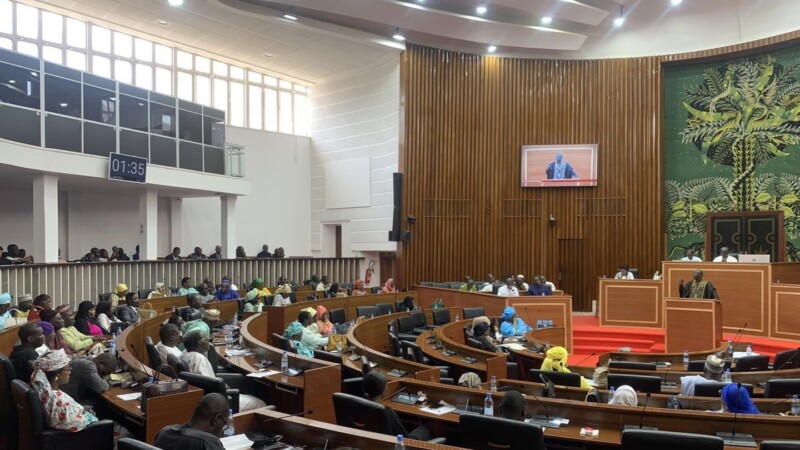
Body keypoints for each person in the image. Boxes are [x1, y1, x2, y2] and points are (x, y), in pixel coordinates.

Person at [31, 349, 101, 431]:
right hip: (81, 435)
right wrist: (88, 416)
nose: (70, 372)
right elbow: (75, 424)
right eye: (68, 369)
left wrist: (82, 411)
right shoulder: (56, 398)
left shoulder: (47, 390)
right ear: (57, 374)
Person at [362, 371, 435, 440]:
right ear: (384, 391)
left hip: (372, 443)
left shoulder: (358, 406)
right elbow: (405, 438)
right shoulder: (387, 412)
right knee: (432, 426)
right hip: (400, 444)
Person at [155, 392, 229, 450]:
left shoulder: (163, 433)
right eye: (224, 424)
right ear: (216, 419)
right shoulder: (208, 443)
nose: (222, 430)